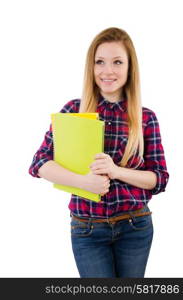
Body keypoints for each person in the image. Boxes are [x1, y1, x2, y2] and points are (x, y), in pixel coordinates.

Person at [29, 27, 169, 278]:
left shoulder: (145, 117)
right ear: (91, 67)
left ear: (129, 68)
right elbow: (39, 163)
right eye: (100, 62)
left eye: (117, 62)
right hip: (87, 229)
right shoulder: (73, 111)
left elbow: (158, 178)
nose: (108, 71)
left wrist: (116, 171)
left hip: (135, 226)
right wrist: (84, 182)